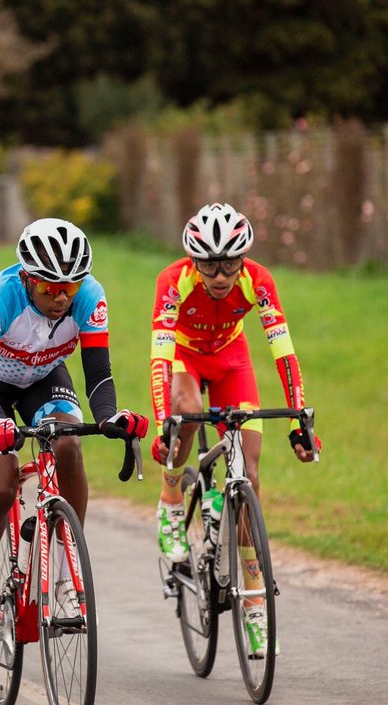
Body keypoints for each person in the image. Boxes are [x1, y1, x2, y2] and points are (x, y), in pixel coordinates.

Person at [0, 218, 148, 657]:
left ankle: (64, 569)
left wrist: (110, 417)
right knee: (1, 483)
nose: (61, 297)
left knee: (69, 445)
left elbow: (99, 375)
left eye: (70, 288)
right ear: (27, 278)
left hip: (43, 377)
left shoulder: (90, 296)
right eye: (49, 288)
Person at [149, 202, 320, 656]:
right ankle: (170, 499)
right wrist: (165, 417)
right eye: (209, 263)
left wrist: (300, 416)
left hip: (230, 359)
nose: (221, 275)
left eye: (229, 263)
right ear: (193, 260)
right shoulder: (172, 281)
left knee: (250, 471)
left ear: (243, 259)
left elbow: (282, 349)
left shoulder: (259, 281)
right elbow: (160, 356)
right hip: (185, 358)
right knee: (186, 408)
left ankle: (255, 601)